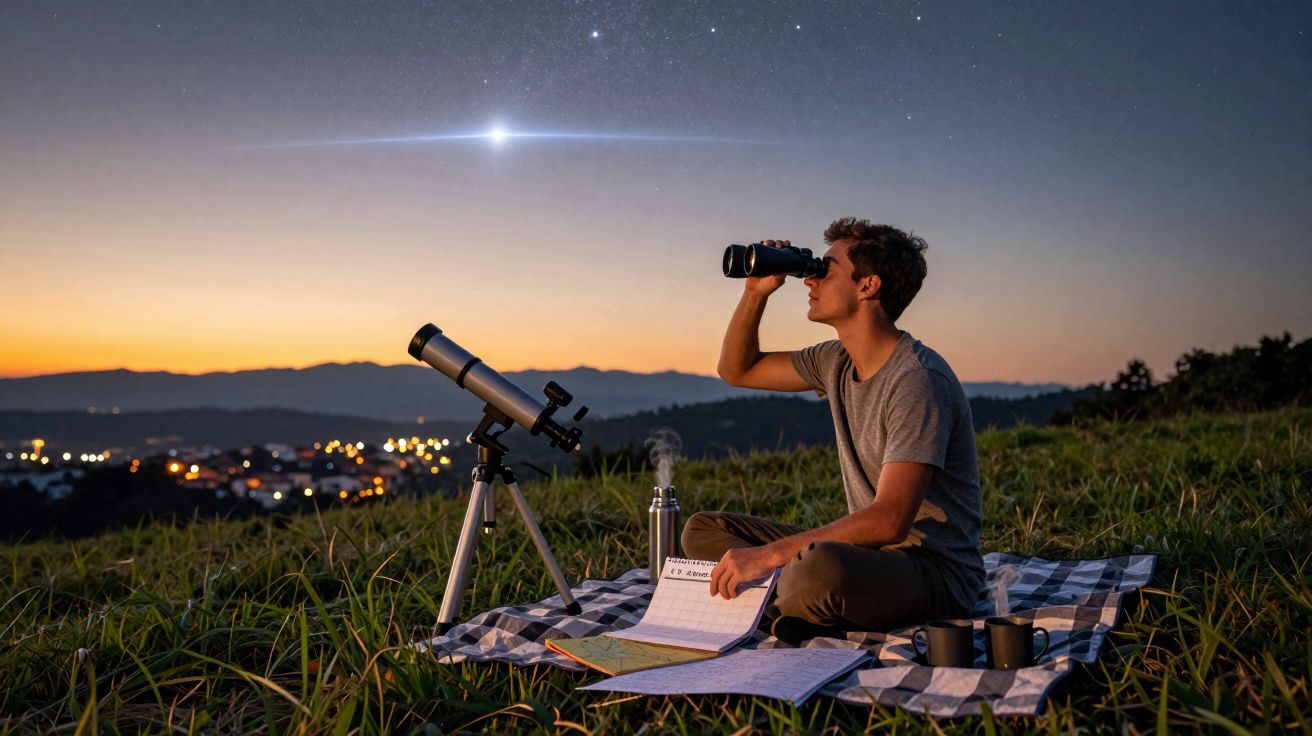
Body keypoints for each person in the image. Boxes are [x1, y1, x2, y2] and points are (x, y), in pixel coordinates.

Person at [681, 218, 983, 641]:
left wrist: (770, 556)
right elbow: (737, 369)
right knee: (702, 529)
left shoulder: (917, 379)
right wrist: (754, 294)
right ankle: (789, 604)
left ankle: (777, 603)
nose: (810, 281)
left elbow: (890, 520)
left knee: (820, 568)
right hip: (867, 557)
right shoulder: (835, 360)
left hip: (931, 572)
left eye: (826, 269)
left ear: (868, 286)